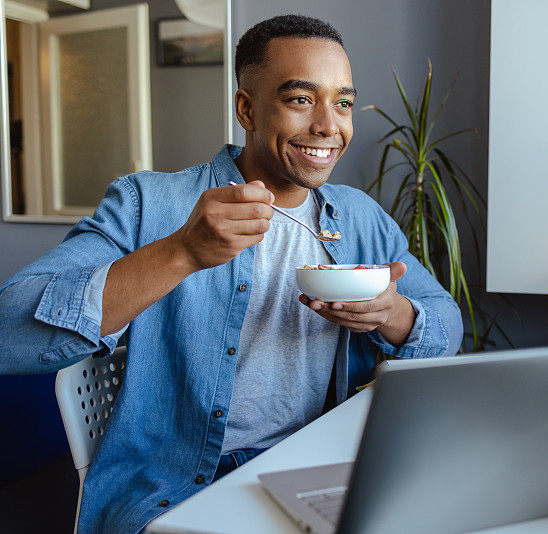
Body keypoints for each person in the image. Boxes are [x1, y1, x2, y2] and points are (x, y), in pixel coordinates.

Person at [0, 15, 462, 534]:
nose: (329, 126)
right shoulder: (149, 203)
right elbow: (8, 332)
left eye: (343, 102)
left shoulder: (360, 218)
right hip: (178, 487)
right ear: (246, 108)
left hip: (317, 466)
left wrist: (393, 313)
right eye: (301, 99)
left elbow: (447, 324)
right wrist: (181, 252)